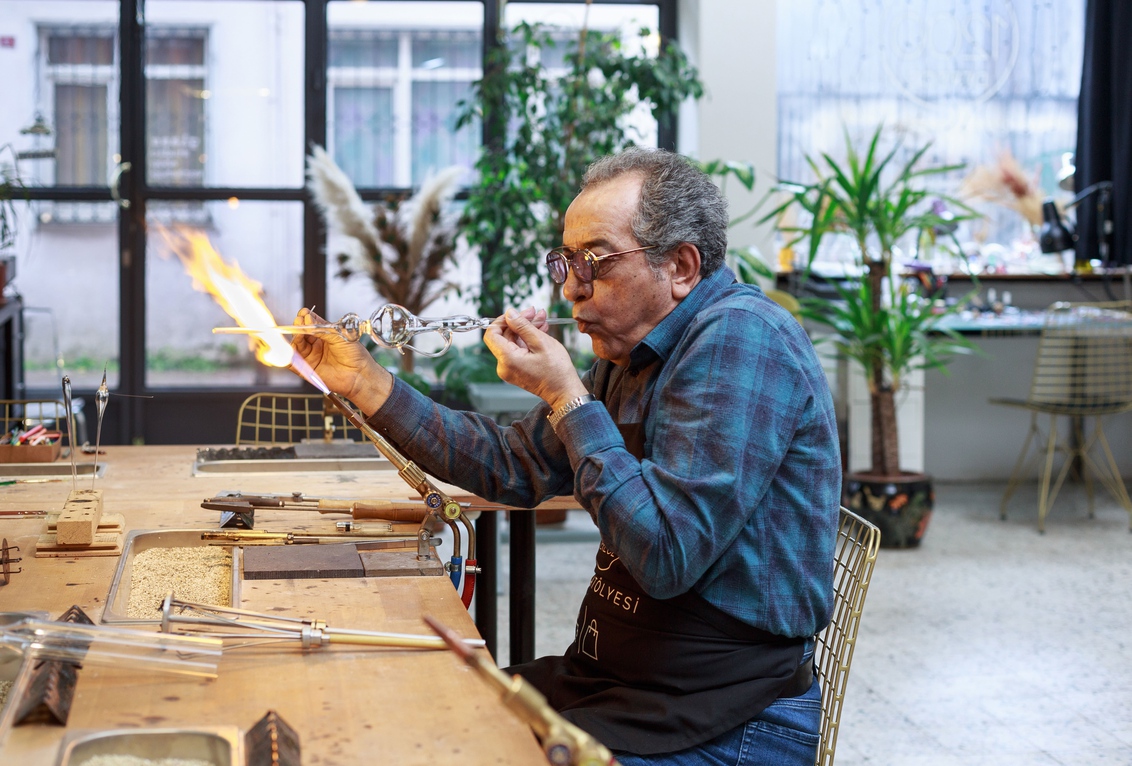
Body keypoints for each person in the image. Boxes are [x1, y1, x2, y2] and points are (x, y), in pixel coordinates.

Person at [291, 148, 841, 765]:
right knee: (421, 708)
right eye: (567, 262)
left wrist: (566, 394)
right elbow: (511, 464)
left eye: (596, 262)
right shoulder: (631, 355)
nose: (572, 286)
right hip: (622, 683)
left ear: (681, 266)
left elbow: (667, 553)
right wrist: (367, 382)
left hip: (726, 715)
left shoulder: (742, 338)